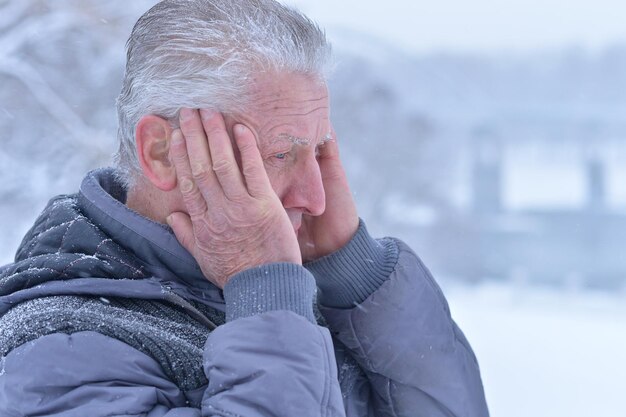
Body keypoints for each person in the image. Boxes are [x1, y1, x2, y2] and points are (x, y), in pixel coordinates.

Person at [0, 0, 489, 416]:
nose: (315, 197)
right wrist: (268, 301)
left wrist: (356, 280)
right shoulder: (56, 352)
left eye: (318, 151)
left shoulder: (308, 301)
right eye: (280, 154)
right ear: (161, 152)